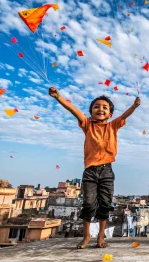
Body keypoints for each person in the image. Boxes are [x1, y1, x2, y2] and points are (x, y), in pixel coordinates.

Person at [48, 87, 141, 249]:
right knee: (89, 204)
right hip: (90, 172)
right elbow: (73, 110)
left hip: (107, 171)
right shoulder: (87, 125)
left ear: (110, 114)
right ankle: (86, 236)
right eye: (96, 106)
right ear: (91, 112)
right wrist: (58, 97)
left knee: (105, 204)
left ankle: (100, 237)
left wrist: (134, 106)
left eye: (105, 107)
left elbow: (124, 115)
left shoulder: (113, 126)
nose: (100, 109)